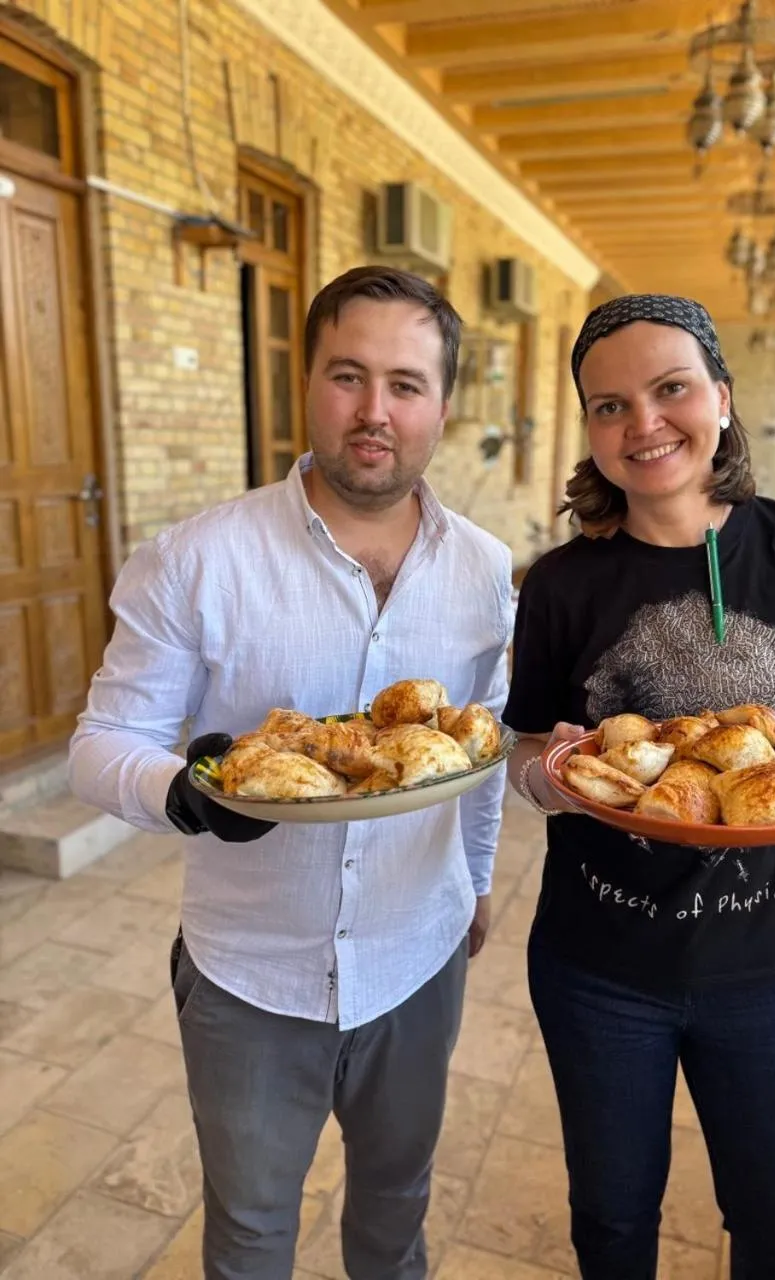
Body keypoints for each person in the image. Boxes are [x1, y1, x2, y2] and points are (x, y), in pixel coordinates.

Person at [69, 265, 514, 1280]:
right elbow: (101, 741)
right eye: (346, 374)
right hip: (250, 972)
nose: (373, 411)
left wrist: (478, 879)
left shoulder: (485, 569)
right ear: (304, 383)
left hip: (418, 951)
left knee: (394, 1222)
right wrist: (186, 791)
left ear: (442, 405)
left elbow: (478, 752)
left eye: (405, 383)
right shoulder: (198, 556)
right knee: (252, 1233)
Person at [502, 294, 775, 1280]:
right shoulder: (559, 582)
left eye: (670, 389)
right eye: (609, 404)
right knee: (614, 1223)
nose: (644, 423)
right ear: (590, 428)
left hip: (771, 965)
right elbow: (526, 750)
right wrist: (558, 776)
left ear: (720, 395)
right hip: (598, 965)